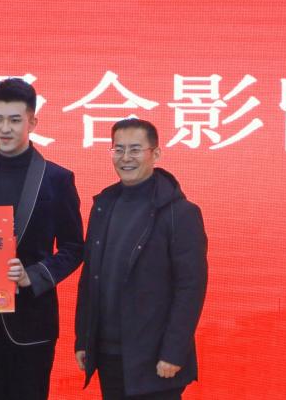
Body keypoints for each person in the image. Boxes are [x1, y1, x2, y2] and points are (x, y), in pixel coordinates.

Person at [0, 77, 84, 400]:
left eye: (14, 120)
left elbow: (74, 247)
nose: (5, 129)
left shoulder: (57, 178)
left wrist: (33, 275)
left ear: (32, 122)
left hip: (32, 321)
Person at [74, 118, 208, 399]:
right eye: (118, 149)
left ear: (155, 154)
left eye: (135, 149)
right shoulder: (103, 205)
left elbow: (190, 288)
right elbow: (90, 277)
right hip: (108, 353)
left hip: (156, 357)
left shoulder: (180, 213)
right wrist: (84, 339)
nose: (126, 158)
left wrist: (174, 351)